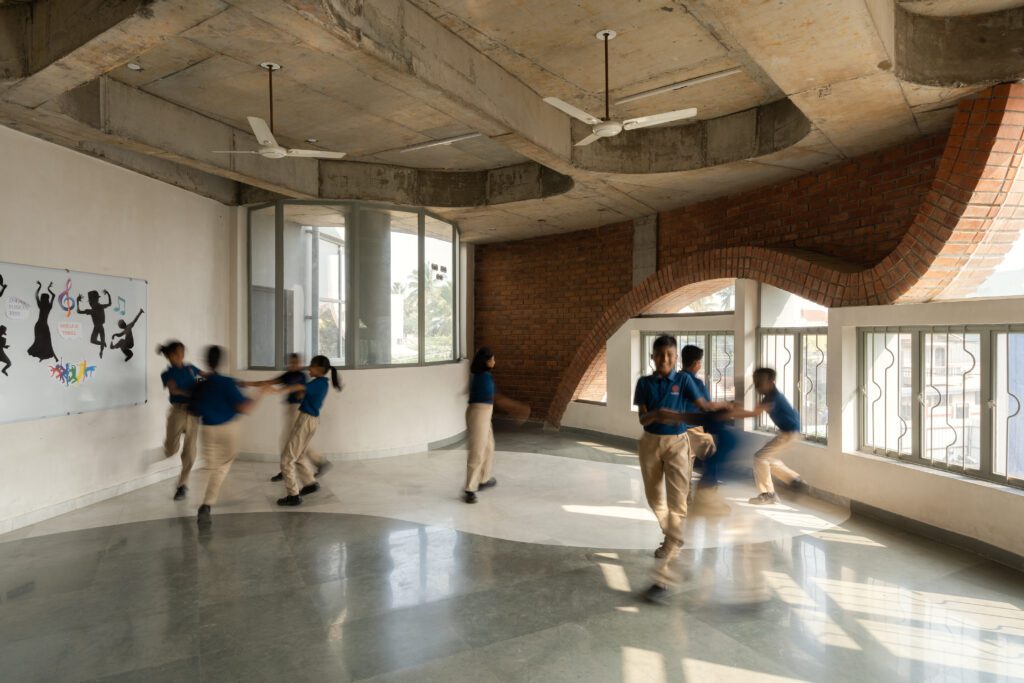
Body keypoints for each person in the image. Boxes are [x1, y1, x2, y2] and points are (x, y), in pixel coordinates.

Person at [634, 336, 723, 605]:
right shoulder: (644, 383)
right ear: (652, 357)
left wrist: (720, 409)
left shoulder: (684, 381)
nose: (665, 359)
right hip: (650, 443)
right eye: (660, 355)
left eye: (670, 355)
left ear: (676, 357)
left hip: (678, 443)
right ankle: (672, 535)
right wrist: (658, 413)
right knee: (654, 500)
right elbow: (643, 418)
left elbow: (703, 409)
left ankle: (664, 571)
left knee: (678, 506)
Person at [192, 345, 263, 524]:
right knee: (222, 466)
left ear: (206, 361)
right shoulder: (226, 383)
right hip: (228, 429)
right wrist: (260, 393)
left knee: (214, 467)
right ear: (221, 361)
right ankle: (207, 504)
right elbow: (244, 408)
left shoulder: (201, 385)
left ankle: (213, 497)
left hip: (207, 430)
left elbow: (194, 409)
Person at [244, 353, 331, 483]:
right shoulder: (288, 375)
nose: (293, 365)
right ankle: (313, 466)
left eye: (296, 363)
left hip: (299, 411)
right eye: (291, 362)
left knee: (292, 444)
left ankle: (310, 465)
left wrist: (279, 391)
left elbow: (302, 390)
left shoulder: (303, 376)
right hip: (291, 410)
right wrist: (248, 383)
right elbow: (269, 382)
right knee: (293, 444)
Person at [730, 367, 806, 505]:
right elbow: (754, 411)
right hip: (789, 432)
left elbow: (753, 414)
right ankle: (794, 480)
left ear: (771, 382)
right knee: (766, 458)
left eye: (760, 382)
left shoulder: (772, 398)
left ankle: (768, 494)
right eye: (756, 382)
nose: (757, 386)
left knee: (760, 457)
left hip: (789, 433)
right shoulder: (770, 397)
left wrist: (730, 412)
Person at [275, 355, 342, 507]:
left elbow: (300, 387)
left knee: (286, 460)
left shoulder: (319, 383)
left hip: (306, 421)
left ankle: (293, 496)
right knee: (298, 455)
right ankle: (310, 483)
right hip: (309, 420)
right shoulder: (321, 383)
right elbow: (304, 392)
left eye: (311, 365)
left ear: (319, 369)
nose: (308, 368)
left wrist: (279, 390)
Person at [158, 341, 202, 500]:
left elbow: (201, 380)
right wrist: (191, 393)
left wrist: (202, 385)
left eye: (182, 353)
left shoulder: (191, 369)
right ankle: (167, 447)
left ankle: (182, 485)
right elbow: (174, 389)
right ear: (169, 356)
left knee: (190, 453)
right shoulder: (167, 374)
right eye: (176, 354)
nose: (180, 356)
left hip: (193, 414)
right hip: (177, 412)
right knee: (171, 450)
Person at [27, 281, 58, 363]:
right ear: (47, 299)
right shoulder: (49, 306)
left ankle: (44, 356)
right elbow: (54, 295)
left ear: (42, 299)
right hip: (44, 325)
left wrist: (40, 286)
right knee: (47, 342)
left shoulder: (41, 305)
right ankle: (49, 357)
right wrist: (48, 288)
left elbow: (36, 295)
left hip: (39, 325)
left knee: (40, 342)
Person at [76, 289, 111, 358]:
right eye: (90, 302)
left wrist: (77, 301)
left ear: (94, 301)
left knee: (95, 340)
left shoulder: (92, 310)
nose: (90, 303)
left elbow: (79, 311)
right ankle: (102, 347)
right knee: (98, 339)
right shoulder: (98, 308)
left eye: (90, 301)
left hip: (98, 327)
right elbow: (110, 304)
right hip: (99, 327)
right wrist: (108, 293)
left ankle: (102, 346)